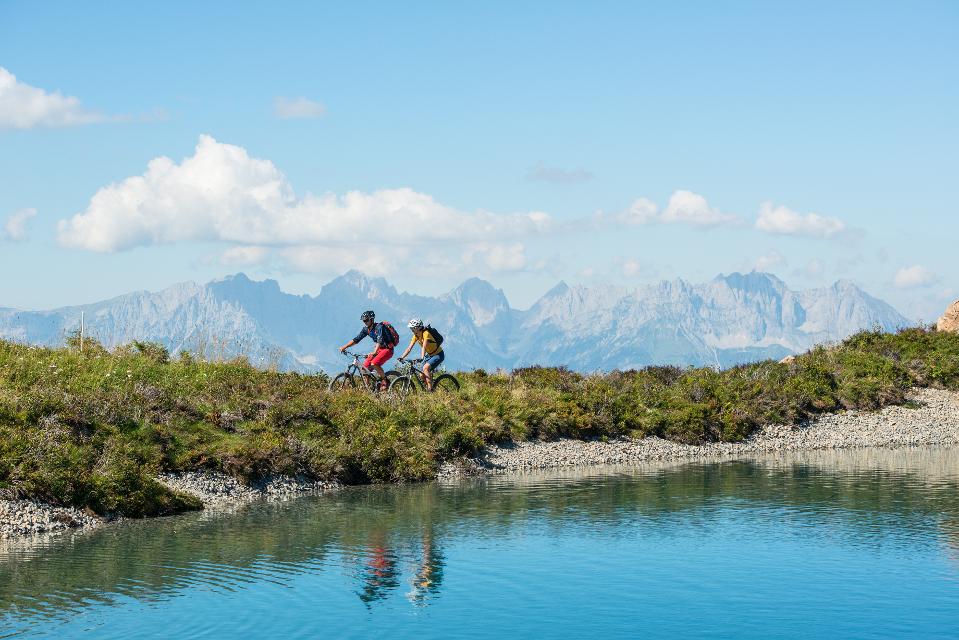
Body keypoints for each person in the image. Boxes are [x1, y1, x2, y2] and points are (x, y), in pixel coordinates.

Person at [340, 310, 397, 390]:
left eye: (366, 320)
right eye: (364, 321)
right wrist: (345, 347)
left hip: (388, 349)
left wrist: (374, 352)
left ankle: (385, 381)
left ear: (372, 319)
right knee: (365, 367)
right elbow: (356, 339)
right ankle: (367, 388)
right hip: (379, 349)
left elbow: (379, 340)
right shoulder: (366, 329)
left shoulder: (379, 327)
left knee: (374, 363)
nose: (365, 322)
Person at [398, 318, 444, 391]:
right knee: (421, 374)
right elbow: (409, 348)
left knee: (425, 368)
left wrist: (422, 358)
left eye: (412, 328)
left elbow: (424, 347)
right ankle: (430, 388)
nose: (411, 329)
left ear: (417, 328)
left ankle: (430, 390)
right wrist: (402, 357)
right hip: (429, 355)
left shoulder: (426, 333)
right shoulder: (416, 336)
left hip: (438, 354)